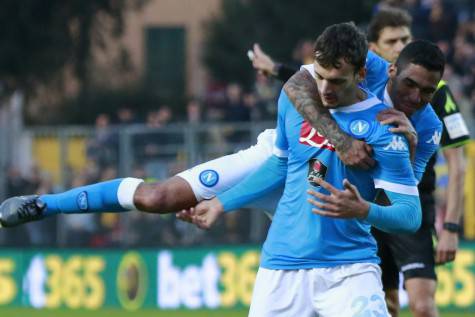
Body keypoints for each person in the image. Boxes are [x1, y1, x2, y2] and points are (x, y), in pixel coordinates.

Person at [186, 22, 425, 317]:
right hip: (281, 266)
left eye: (337, 81)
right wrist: (221, 203)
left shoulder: (385, 127)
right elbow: (279, 164)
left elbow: (410, 216)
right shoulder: (296, 101)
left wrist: (364, 210)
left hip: (349, 270)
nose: (325, 90)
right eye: (320, 77)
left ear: (361, 74)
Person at [251, 8, 469, 317]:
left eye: (404, 39)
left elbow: (436, 172)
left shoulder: (436, 106)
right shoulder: (368, 76)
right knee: (385, 304)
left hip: (405, 206)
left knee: (422, 306)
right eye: (392, 40)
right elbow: (318, 77)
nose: (398, 45)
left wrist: (450, 226)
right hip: (355, 207)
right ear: (380, 54)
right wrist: (276, 69)